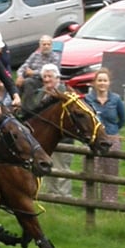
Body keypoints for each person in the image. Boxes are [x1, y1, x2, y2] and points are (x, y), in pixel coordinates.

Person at [83, 68, 125, 202]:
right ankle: (89, 198)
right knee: (92, 169)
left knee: (110, 170)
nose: (102, 83)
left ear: (109, 83)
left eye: (105, 80)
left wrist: (112, 131)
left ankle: (109, 201)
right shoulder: (88, 99)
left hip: (112, 138)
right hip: (94, 139)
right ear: (94, 83)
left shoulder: (116, 99)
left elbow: (123, 118)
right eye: (99, 80)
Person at [38, 63, 74, 196]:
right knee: (48, 169)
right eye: (45, 76)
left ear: (57, 78)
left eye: (50, 76)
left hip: (63, 140)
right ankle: (52, 195)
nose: (47, 79)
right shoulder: (41, 94)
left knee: (62, 169)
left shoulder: (66, 94)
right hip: (46, 141)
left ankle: (64, 197)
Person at [16, 35, 61, 101]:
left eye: (48, 44)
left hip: (45, 81)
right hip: (32, 79)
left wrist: (33, 73)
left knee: (28, 82)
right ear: (40, 46)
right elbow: (24, 66)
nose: (46, 46)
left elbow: (52, 73)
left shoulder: (55, 57)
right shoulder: (35, 55)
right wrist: (20, 76)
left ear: (51, 46)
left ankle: (28, 106)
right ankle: (15, 105)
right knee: (19, 82)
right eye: (44, 44)